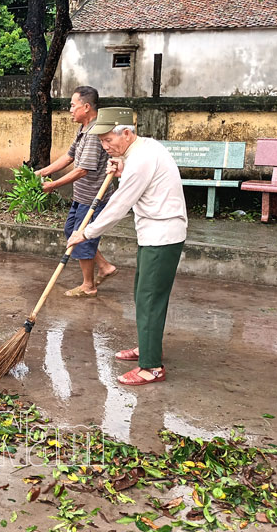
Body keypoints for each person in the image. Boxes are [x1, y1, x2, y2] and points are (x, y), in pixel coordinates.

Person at [67, 107, 188, 386]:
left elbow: (120, 205)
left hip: (163, 235)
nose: (106, 146)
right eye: (101, 142)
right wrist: (122, 169)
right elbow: (141, 179)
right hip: (154, 233)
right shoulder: (142, 150)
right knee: (142, 294)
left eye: (109, 140)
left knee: (149, 298)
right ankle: (148, 348)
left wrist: (85, 232)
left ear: (126, 132)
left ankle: (151, 367)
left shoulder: (142, 158)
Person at [35, 86, 117, 297]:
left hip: (93, 197)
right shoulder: (84, 129)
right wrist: (42, 173)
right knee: (71, 231)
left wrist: (53, 185)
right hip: (82, 196)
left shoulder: (94, 133)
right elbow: (69, 157)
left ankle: (88, 286)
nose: (70, 109)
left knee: (82, 238)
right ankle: (105, 266)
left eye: (73, 105)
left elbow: (83, 169)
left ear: (86, 107)